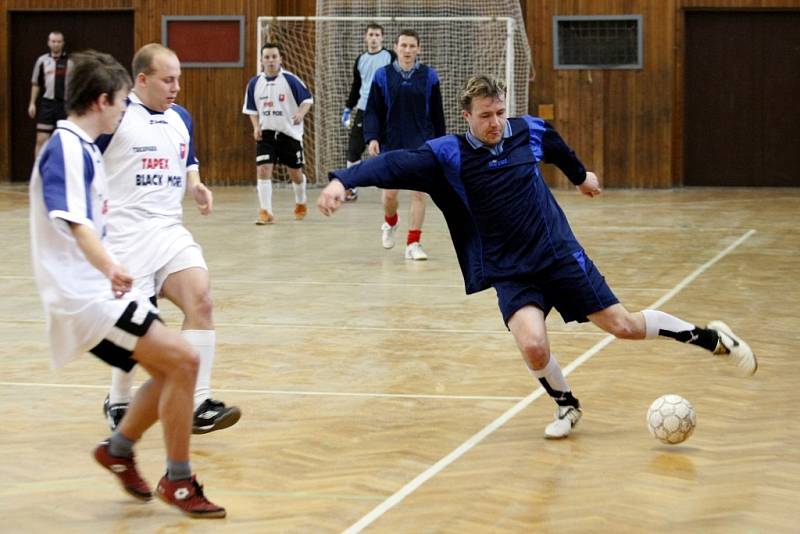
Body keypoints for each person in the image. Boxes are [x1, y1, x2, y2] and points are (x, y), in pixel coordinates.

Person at [318, 74, 757, 439]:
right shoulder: (447, 154)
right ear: (466, 116)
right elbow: (391, 164)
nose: (495, 123)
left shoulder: (528, 130)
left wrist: (580, 175)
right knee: (532, 344)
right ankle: (567, 405)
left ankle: (711, 338)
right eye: (485, 116)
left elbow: (558, 148)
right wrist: (344, 182)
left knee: (623, 326)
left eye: (500, 112)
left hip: (557, 254)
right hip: (509, 269)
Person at [29, 50, 225, 518]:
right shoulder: (69, 148)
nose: (126, 108)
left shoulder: (82, 144)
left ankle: (119, 449)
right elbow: (75, 223)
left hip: (96, 289)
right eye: (121, 100)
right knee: (184, 362)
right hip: (88, 298)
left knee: (174, 366)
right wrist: (110, 268)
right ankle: (177, 479)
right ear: (102, 102)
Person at [97, 43, 241, 436]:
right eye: (168, 79)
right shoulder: (115, 117)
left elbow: (188, 161)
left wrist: (197, 186)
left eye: (178, 78)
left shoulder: (181, 118)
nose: (176, 86)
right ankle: (119, 399)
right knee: (137, 328)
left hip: (169, 231)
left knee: (202, 300)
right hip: (125, 239)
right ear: (141, 80)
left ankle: (198, 402)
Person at [364, 29, 446, 260]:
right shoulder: (382, 75)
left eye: (412, 46)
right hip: (392, 143)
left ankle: (413, 243)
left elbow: (438, 115)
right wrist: (373, 137)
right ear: (396, 47)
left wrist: (440, 144)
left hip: (422, 144)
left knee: (420, 194)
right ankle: (390, 222)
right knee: (389, 196)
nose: (407, 50)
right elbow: (373, 111)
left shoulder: (430, 76)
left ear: (418, 49)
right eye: (403, 46)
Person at [243, 42, 313, 224]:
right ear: (262, 60)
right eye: (267, 57)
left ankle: (301, 202)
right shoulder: (254, 83)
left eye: (274, 56)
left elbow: (307, 100)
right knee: (263, 169)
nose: (271, 60)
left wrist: (300, 113)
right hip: (266, 134)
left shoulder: (291, 80)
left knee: (295, 174)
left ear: (280, 58)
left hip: (289, 133)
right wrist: (256, 126)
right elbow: (251, 109)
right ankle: (266, 212)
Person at [341, 22, 396, 202]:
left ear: (382, 37)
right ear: (365, 37)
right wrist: (348, 108)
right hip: (364, 109)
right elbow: (356, 86)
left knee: (388, 149)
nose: (373, 38)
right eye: (371, 34)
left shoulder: (390, 56)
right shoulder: (361, 59)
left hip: (386, 111)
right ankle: (351, 188)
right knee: (354, 150)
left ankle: (392, 185)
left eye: (377, 35)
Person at [28, 31, 74, 157]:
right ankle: (38, 172)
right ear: (49, 43)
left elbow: (75, 84)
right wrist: (32, 103)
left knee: (66, 140)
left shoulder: (70, 62)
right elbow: (36, 83)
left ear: (63, 43)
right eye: (53, 41)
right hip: (47, 104)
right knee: (41, 139)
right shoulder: (42, 60)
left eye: (59, 41)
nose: (56, 44)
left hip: (64, 105)